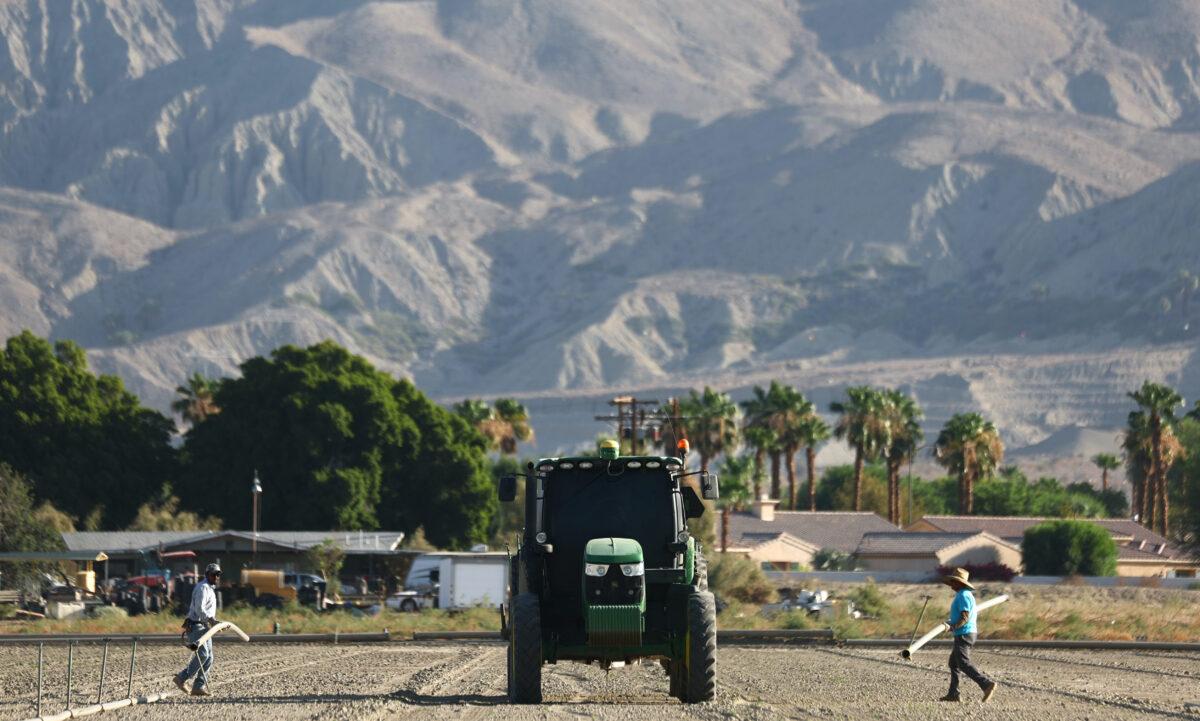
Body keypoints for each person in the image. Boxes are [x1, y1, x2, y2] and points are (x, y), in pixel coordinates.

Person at [939, 567, 998, 703]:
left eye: (954, 581)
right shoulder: (963, 594)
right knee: (953, 663)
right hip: (964, 633)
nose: (951, 584)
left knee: (963, 663)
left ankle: (986, 684)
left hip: (964, 633)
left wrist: (953, 626)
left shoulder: (963, 595)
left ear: (960, 583)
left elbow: (965, 616)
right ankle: (954, 694)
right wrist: (951, 622)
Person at [175, 562, 222, 696]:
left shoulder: (210, 589)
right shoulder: (202, 588)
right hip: (196, 625)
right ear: (207, 574)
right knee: (203, 654)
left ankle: (198, 687)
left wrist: (212, 621)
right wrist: (211, 619)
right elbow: (199, 609)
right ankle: (181, 678)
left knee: (209, 658)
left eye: (218, 575)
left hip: (205, 627)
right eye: (214, 575)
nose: (216, 577)